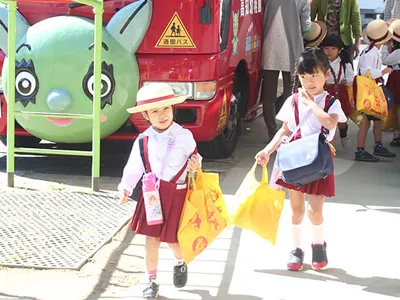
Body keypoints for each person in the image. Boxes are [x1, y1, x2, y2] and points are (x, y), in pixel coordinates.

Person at [255, 47, 346, 271]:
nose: (309, 81)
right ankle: (296, 249)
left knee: (315, 212)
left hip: (319, 162)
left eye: (314, 75)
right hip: (295, 161)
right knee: (296, 211)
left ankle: (318, 244)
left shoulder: (331, 102)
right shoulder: (293, 100)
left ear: (326, 74)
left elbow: (330, 123)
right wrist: (267, 150)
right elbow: (285, 130)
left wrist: (311, 104)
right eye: (303, 76)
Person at [118, 83, 201, 299]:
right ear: (145, 115)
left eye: (166, 108)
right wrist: (125, 187)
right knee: (151, 239)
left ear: (173, 108)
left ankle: (180, 262)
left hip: (177, 193)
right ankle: (151, 281)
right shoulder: (143, 139)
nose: (162, 114)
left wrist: (195, 164)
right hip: (152, 195)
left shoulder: (185, 136)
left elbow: (196, 158)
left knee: (174, 239)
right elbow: (134, 167)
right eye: (154, 111)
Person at [262, 0, 312, 141]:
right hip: (291, 51)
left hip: (269, 49)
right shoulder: (303, 1)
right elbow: (307, 28)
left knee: (269, 95)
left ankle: (271, 131)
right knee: (290, 93)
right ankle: (288, 131)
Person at [355, 19, 396, 162]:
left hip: (371, 90)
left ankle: (378, 144)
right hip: (369, 92)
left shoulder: (371, 50)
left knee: (378, 119)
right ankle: (360, 150)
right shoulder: (371, 53)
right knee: (366, 122)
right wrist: (384, 71)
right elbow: (368, 72)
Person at [321, 34, 354, 149]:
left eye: (333, 49)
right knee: (324, 118)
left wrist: (347, 80)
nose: (329, 51)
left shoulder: (345, 64)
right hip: (325, 93)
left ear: (339, 51)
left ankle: (343, 135)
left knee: (342, 120)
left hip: (340, 93)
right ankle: (325, 140)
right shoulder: (320, 63)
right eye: (326, 48)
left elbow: (351, 77)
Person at [311, 0, 362, 64]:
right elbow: (310, 17)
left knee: (346, 68)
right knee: (322, 68)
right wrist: (312, 41)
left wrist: (357, 43)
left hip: (344, 42)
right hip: (323, 41)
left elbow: (356, 20)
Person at [381, 19, 400, 147]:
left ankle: (397, 134)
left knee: (397, 108)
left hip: (397, 78)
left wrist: (384, 46)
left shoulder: (398, 52)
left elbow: (385, 60)